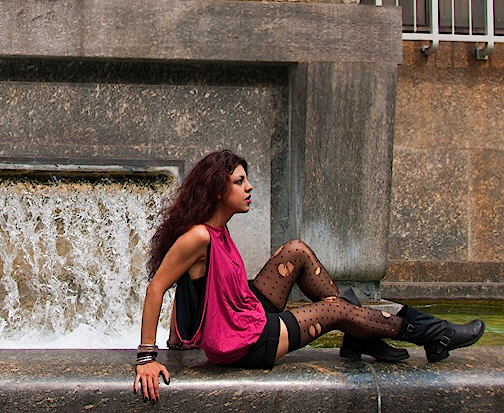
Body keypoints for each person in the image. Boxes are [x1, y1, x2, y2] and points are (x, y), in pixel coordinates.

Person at [132, 150, 485, 401]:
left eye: (246, 179)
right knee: (335, 310)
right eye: (240, 181)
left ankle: (359, 334)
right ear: (217, 190)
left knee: (296, 251)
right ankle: (433, 334)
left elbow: (203, 291)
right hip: (244, 342)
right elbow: (156, 289)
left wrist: (180, 331)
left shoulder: (218, 231)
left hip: (247, 311)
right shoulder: (198, 237)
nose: (250, 187)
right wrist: (147, 359)